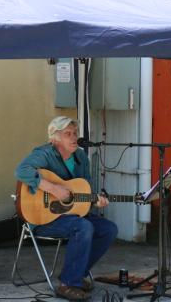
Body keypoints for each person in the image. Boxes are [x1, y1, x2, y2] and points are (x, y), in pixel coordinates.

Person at [15, 116, 118, 301]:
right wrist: (53, 188)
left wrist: (95, 200)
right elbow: (21, 170)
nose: (73, 138)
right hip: (41, 218)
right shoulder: (45, 153)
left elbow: (84, 192)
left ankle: (75, 275)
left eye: (75, 133)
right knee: (83, 227)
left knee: (109, 229)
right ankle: (68, 284)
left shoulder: (80, 157)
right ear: (54, 138)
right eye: (67, 134)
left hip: (71, 215)